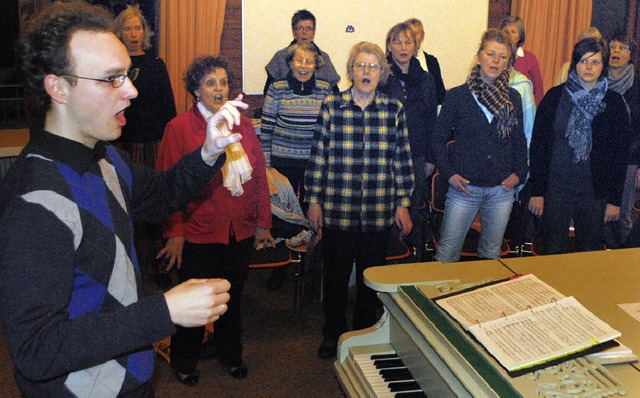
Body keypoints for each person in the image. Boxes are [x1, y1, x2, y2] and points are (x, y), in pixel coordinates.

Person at [0, 2, 241, 396]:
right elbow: (36, 350)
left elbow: (160, 195)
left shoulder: (104, 157)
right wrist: (163, 311)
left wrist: (209, 152)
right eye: (112, 79)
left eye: (126, 75)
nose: (131, 90)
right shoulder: (34, 201)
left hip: (129, 378)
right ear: (58, 87)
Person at [157, 56, 274, 385]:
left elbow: (259, 178)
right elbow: (167, 185)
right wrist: (175, 233)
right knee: (194, 304)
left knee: (231, 299)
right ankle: (185, 360)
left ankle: (230, 354)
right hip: (197, 233)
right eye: (210, 82)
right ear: (196, 90)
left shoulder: (244, 125)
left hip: (239, 231)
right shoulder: (178, 128)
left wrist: (263, 222)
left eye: (223, 82)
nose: (219, 88)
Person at [305, 41, 414, 359]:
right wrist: (313, 200)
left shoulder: (393, 109)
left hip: (377, 213)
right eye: (360, 65)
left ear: (382, 73)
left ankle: (364, 334)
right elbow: (319, 157)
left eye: (373, 66)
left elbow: (401, 159)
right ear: (351, 70)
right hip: (338, 212)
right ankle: (333, 335)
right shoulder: (331, 106)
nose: (366, 71)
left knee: (370, 282)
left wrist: (403, 202)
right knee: (336, 280)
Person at [432, 28, 528, 263]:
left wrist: (520, 172)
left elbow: (519, 140)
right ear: (479, 56)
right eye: (491, 54)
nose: (496, 61)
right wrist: (449, 174)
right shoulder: (457, 96)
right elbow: (437, 139)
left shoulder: (513, 97)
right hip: (464, 190)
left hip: (501, 191)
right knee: (447, 254)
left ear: (508, 62)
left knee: (491, 255)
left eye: (503, 56)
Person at [527, 37, 629, 254]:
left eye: (595, 62)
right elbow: (539, 147)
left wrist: (614, 200)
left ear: (603, 65)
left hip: (595, 191)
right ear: (575, 64)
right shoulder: (554, 97)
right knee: (552, 250)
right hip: (556, 187)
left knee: (589, 251)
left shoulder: (614, 103)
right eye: (583, 61)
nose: (589, 67)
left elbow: (619, 156)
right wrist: (536, 191)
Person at [114, 4, 177, 284]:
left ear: (144, 32)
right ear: (121, 33)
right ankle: (134, 269)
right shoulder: (116, 67)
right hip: (124, 146)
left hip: (155, 143)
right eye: (128, 28)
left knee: (156, 207)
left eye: (137, 27)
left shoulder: (155, 64)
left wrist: (170, 140)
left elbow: (169, 106)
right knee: (128, 210)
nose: (133, 33)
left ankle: (160, 266)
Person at [260, 41, 332, 289]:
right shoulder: (277, 88)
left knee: (311, 213)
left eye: (309, 61)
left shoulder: (325, 89)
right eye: (298, 61)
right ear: (290, 64)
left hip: (314, 164)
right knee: (283, 214)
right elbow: (266, 129)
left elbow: (331, 131)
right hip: (282, 163)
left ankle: (309, 265)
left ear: (316, 65)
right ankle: (281, 266)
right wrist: (267, 165)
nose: (304, 66)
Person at [379, 22, 437, 261]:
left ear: (416, 46)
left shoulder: (426, 79)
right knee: (383, 214)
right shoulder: (380, 77)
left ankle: (408, 266)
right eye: (397, 42)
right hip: (384, 156)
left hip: (416, 156)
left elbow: (433, 121)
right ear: (389, 46)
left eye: (408, 42)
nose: (403, 47)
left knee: (411, 213)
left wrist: (431, 158)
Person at [606, 34, 640, 247]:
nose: (616, 51)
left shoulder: (638, 85)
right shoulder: (597, 80)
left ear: (631, 55)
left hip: (629, 158)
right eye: (613, 47)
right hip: (599, 156)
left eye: (623, 48)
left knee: (623, 214)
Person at [264, 9, 340, 95]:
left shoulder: (323, 57)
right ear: (294, 32)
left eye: (308, 28)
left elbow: (335, 93)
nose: (304, 32)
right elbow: (268, 92)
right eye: (300, 28)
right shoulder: (281, 57)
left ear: (314, 32)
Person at [500, 16, 544, 105]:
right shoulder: (497, 57)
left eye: (513, 32)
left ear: (520, 36)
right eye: (506, 31)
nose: (509, 35)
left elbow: (538, 90)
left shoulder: (530, 58)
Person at [405, 18, 446, 105]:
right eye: (409, 33)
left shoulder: (432, 61)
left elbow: (440, 92)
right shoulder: (396, 62)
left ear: (422, 36)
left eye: (415, 33)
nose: (412, 37)